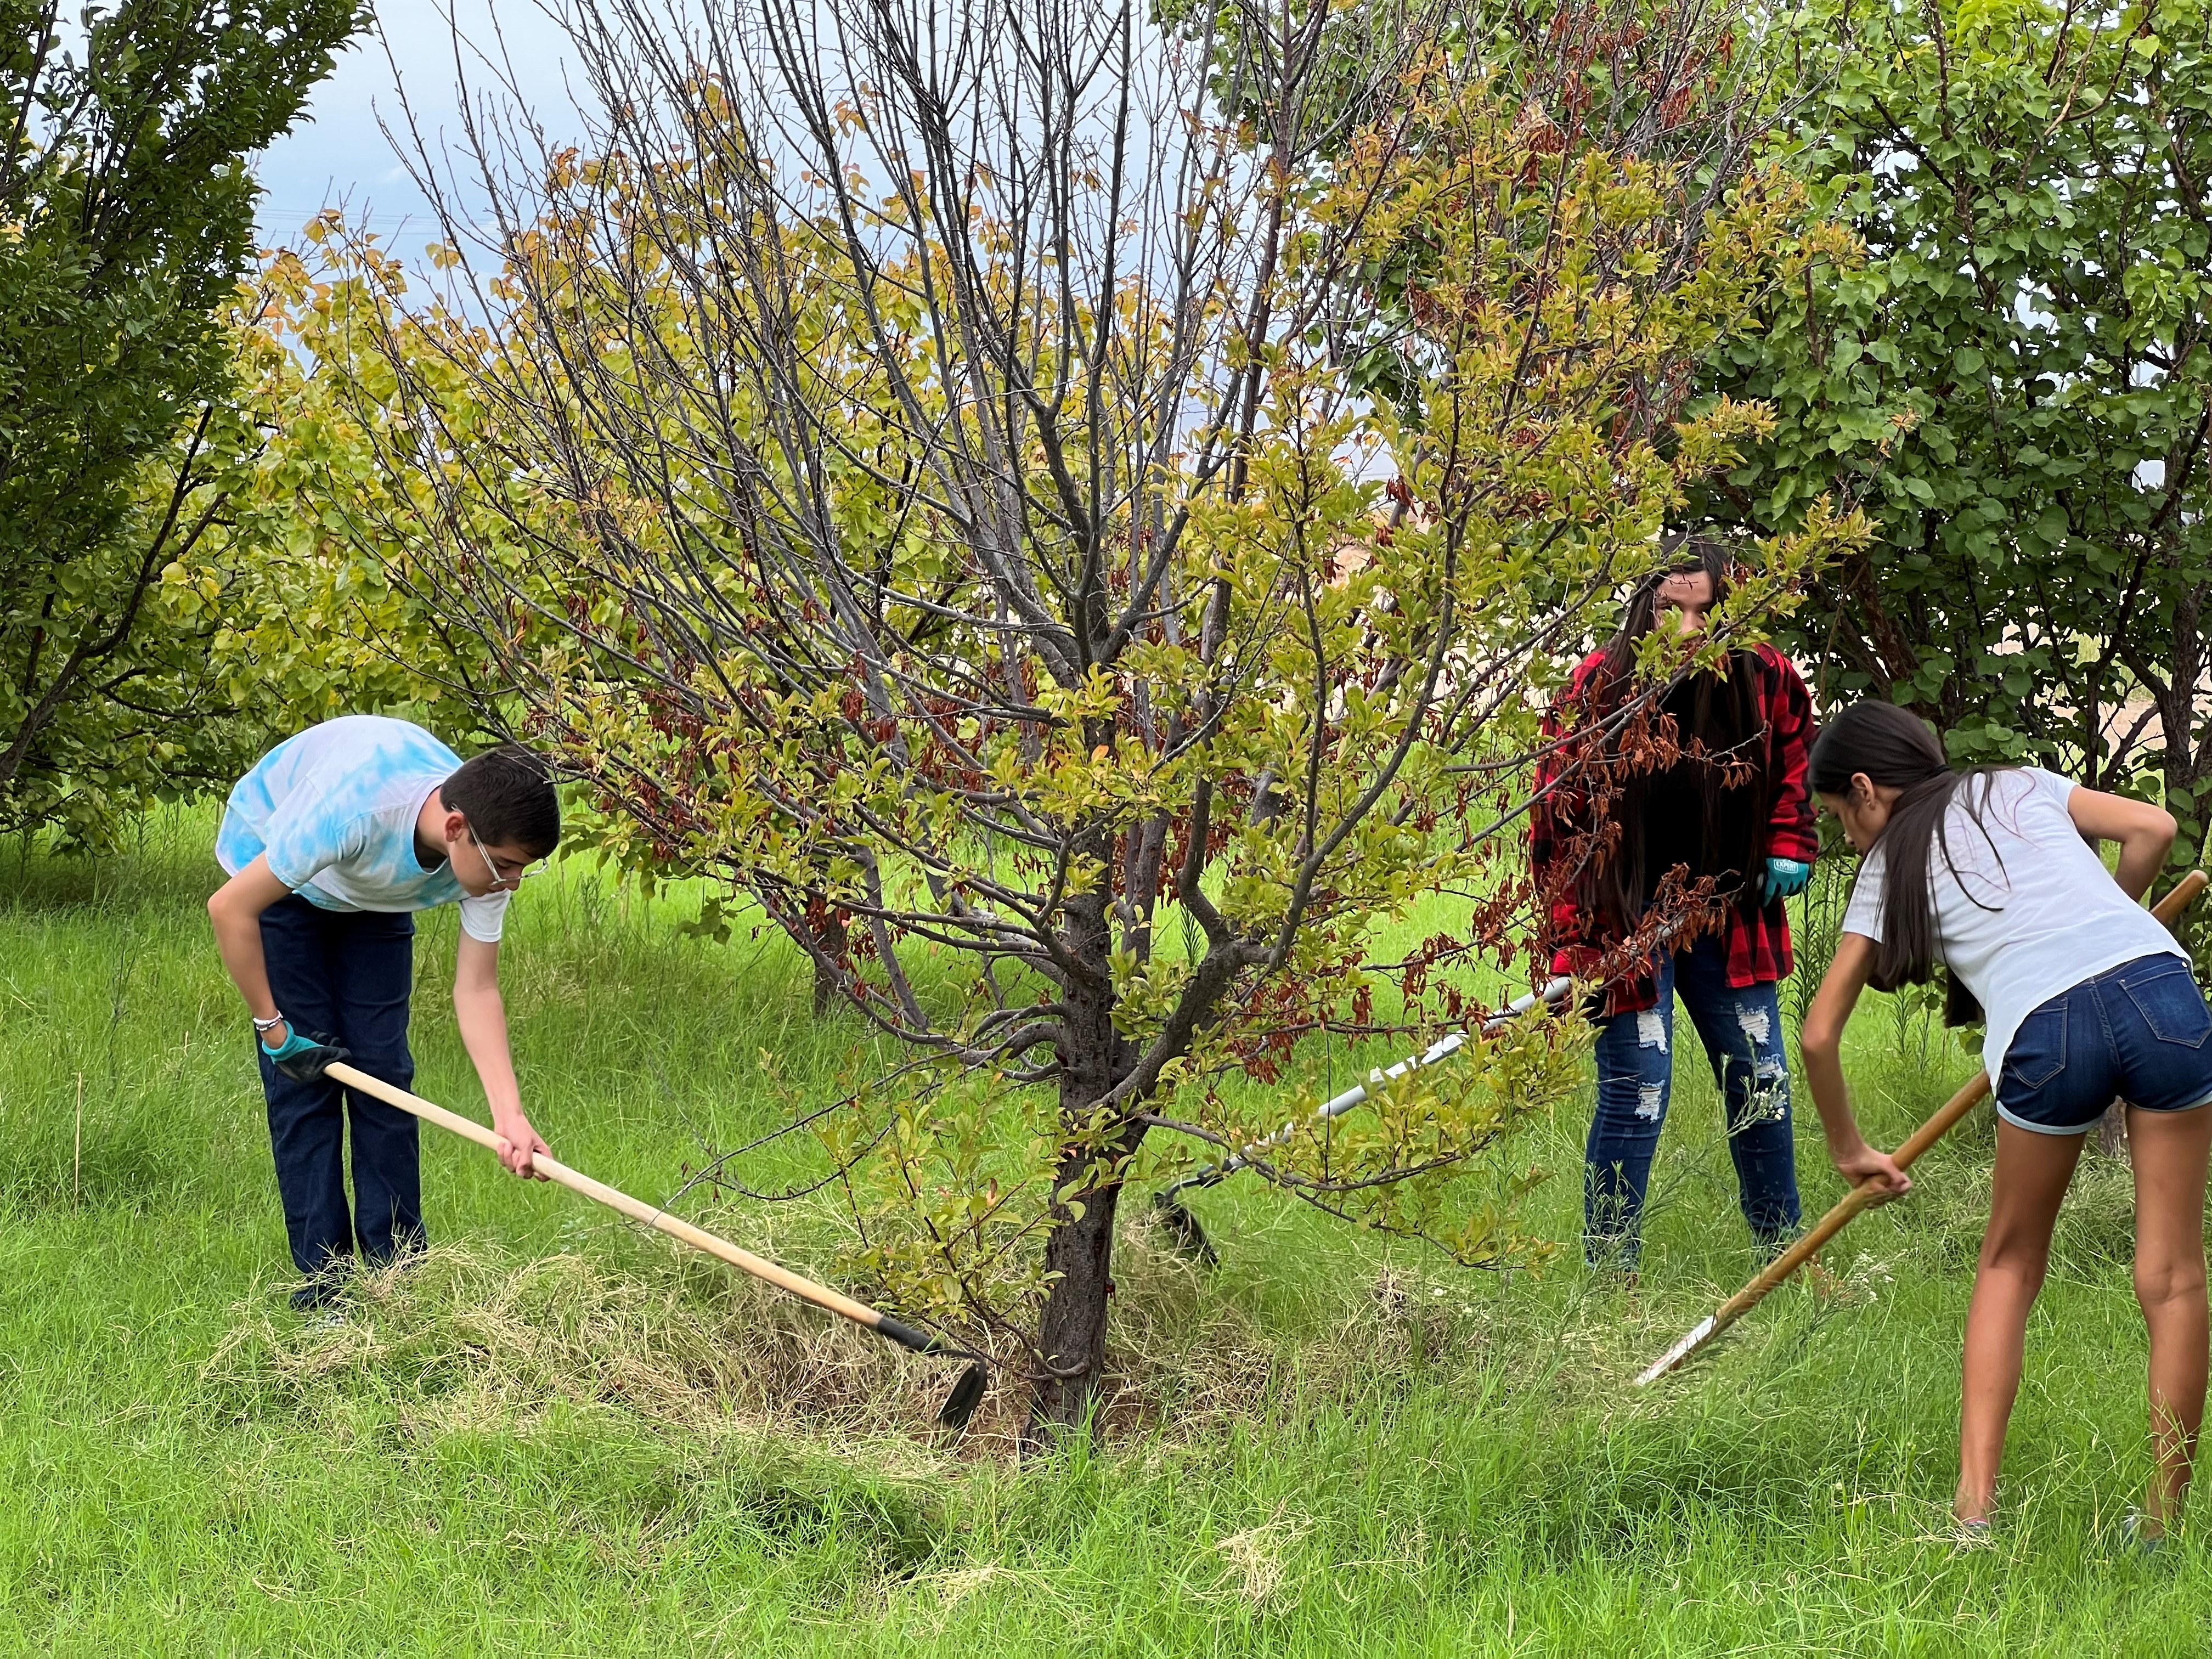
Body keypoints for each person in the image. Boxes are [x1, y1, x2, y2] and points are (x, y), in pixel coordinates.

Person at [1800, 701, 2211, 1544]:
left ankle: (1973, 1515)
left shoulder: (1887, 866)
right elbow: (2153, 828)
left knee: (2010, 1263)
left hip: (2048, 1034)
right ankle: (2162, 1523)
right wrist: (2112, 916)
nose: (1847, 836)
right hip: (2163, 995)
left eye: (1840, 816)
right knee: (2173, 1275)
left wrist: (1851, 1150)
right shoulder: (2018, 785)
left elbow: (1817, 1033)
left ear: (1869, 790)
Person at [206, 715, 562, 1309]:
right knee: (308, 1082)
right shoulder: (350, 809)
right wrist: (272, 1028)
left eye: (527, 866)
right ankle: (326, 1290)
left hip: (373, 891)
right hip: (281, 875)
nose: (515, 883)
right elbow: (230, 909)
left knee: (384, 1077)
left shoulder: (484, 856)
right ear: (456, 829)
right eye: (507, 865)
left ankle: (399, 1278)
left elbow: (476, 989)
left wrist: (511, 1116)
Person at [1531, 536, 1818, 1269]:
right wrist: (1578, 945)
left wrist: (1789, 839)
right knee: (1639, 1092)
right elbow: (1557, 827)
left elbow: (1793, 762)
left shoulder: (1767, 676)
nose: (1688, 631)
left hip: (1731, 909)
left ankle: (1782, 1254)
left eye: (1706, 611)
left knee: (1762, 1082)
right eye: (1670, 611)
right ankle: (1610, 1273)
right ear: (1642, 608)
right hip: (1626, 920)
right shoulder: (1598, 685)